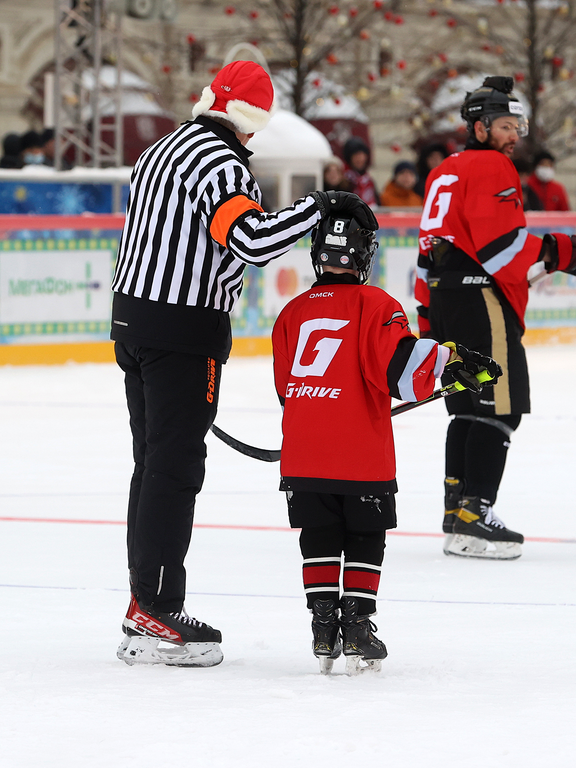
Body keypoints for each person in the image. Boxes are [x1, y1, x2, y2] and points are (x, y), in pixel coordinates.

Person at [111, 60, 378, 668]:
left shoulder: (161, 149)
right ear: (247, 120)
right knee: (174, 473)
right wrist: (319, 206)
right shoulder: (220, 161)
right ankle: (155, 611)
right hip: (184, 328)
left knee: (151, 465)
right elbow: (251, 241)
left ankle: (143, 603)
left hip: (134, 319)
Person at [272, 214, 500, 675]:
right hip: (359, 454)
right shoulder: (375, 304)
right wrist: (451, 360)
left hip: (303, 453)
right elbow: (402, 370)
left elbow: (285, 388)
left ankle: (322, 625)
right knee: (363, 535)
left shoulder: (291, 312)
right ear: (363, 255)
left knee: (317, 536)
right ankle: (355, 626)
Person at [415, 75, 576, 560]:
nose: (515, 135)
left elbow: (428, 253)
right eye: (506, 126)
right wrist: (563, 252)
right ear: (480, 128)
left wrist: (427, 316)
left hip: (446, 297)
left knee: (467, 406)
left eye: (517, 125)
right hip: (479, 298)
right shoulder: (493, 167)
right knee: (500, 407)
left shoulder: (445, 169)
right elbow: (502, 250)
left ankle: (456, 511)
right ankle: (474, 517)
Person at [342, 136, 379, 208]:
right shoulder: (344, 180)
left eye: (362, 155)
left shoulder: (368, 181)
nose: (360, 159)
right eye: (356, 155)